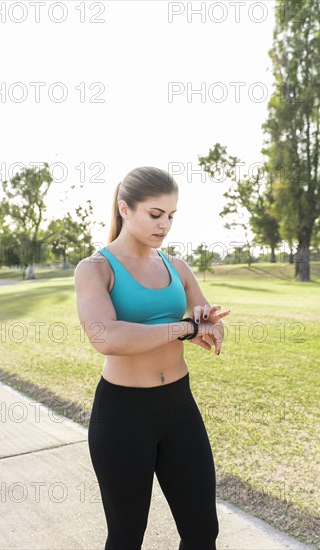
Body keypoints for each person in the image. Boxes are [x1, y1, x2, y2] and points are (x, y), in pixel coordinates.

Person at [74, 166, 230, 550]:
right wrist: (182, 330)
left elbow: (207, 324)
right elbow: (105, 336)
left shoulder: (177, 267)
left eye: (172, 216)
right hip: (123, 415)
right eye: (155, 215)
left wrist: (208, 326)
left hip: (179, 407)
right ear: (125, 209)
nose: (165, 225)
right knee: (127, 536)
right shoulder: (95, 269)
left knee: (202, 532)